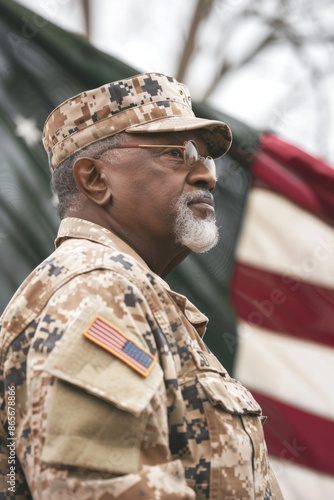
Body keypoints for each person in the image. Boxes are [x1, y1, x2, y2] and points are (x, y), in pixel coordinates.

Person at [0, 72, 283, 499]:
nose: (208, 175)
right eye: (177, 153)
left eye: (206, 158)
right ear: (95, 179)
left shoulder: (130, 291)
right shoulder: (98, 290)